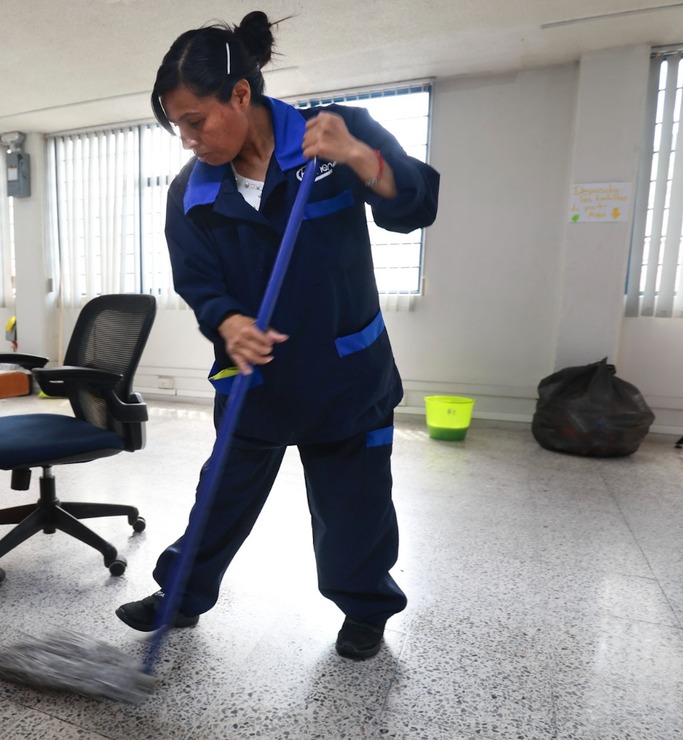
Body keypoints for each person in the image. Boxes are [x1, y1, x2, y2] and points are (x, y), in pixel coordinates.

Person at [115, 11, 439, 660]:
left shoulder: (331, 135)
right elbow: (197, 280)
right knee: (219, 501)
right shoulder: (191, 193)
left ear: (239, 94)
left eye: (194, 121)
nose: (187, 140)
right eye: (177, 126)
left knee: (354, 510)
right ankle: (180, 597)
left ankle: (364, 608)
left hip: (346, 375)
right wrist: (229, 321)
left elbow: (414, 205)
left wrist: (355, 155)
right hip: (254, 380)